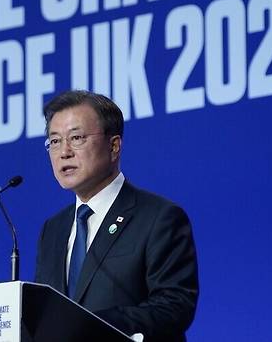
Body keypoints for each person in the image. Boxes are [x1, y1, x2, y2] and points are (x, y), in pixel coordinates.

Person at [34, 90, 198, 342]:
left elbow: (174, 307)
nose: (63, 152)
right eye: (54, 141)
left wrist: (91, 325)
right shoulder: (53, 229)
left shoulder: (158, 217)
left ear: (114, 146)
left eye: (76, 137)